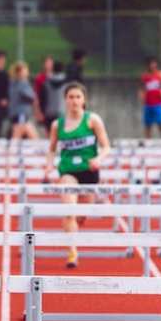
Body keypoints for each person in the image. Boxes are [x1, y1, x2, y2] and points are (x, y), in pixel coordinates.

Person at [46, 82, 111, 268]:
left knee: (81, 216)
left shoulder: (93, 120)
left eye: (78, 97)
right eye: (71, 97)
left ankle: (72, 226)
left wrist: (99, 159)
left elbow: (107, 146)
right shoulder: (57, 125)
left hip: (89, 172)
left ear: (84, 100)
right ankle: (72, 252)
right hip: (68, 172)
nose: (74, 101)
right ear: (65, 100)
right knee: (69, 211)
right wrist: (49, 165)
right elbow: (51, 150)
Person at [139, 56, 161, 139]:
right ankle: (148, 141)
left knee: (160, 123)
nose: (152, 66)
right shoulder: (145, 76)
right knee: (148, 124)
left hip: (158, 104)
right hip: (148, 104)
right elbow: (141, 88)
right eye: (150, 64)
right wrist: (141, 96)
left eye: (154, 63)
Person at [8, 61, 39, 141]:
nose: (27, 72)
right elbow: (32, 97)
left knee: (21, 134)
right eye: (25, 70)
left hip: (16, 113)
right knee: (18, 135)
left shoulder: (12, 82)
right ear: (19, 72)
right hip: (21, 114)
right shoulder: (22, 83)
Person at [38, 58, 67, 132]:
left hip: (49, 113)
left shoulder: (46, 83)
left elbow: (42, 99)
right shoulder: (67, 83)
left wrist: (42, 111)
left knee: (51, 135)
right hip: (62, 112)